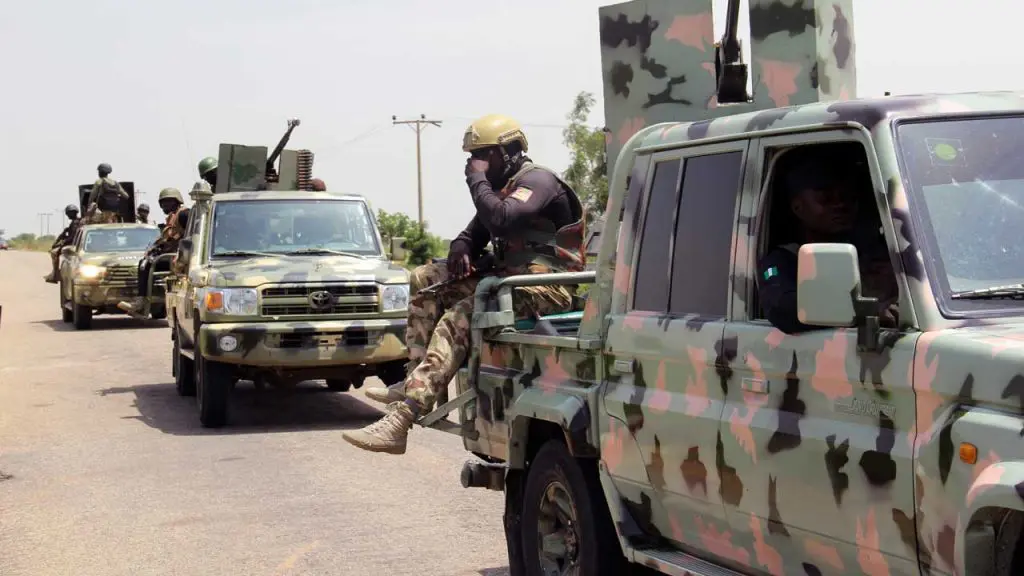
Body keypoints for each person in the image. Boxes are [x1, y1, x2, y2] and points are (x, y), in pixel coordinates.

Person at [342, 114, 586, 455]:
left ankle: (403, 417)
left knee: (458, 317)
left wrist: (476, 180)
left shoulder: (539, 181)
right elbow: (475, 232)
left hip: (547, 288)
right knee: (425, 279)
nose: (476, 163)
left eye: (484, 155)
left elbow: (501, 219)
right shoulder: (501, 190)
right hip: (509, 283)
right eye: (473, 157)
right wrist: (462, 247)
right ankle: (414, 377)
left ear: (509, 151)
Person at [757, 147, 898, 334]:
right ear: (798, 207)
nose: (840, 204)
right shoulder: (783, 261)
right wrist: (866, 312)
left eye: (848, 197)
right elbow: (782, 307)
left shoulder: (884, 252)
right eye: (825, 198)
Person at [117, 188, 187, 317]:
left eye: (168, 202)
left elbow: (185, 235)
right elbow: (166, 238)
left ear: (177, 201)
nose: (165, 205)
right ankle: (143, 301)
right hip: (171, 255)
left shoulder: (183, 214)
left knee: (145, 265)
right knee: (144, 263)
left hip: (178, 257)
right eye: (163, 203)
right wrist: (155, 248)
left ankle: (141, 303)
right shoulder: (172, 217)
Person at [43, 204, 83, 283]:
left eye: (68, 214)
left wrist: (62, 243)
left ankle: (55, 274)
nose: (67, 216)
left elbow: (72, 237)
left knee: (54, 253)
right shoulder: (77, 221)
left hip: (74, 244)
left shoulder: (75, 223)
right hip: (75, 243)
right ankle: (55, 273)